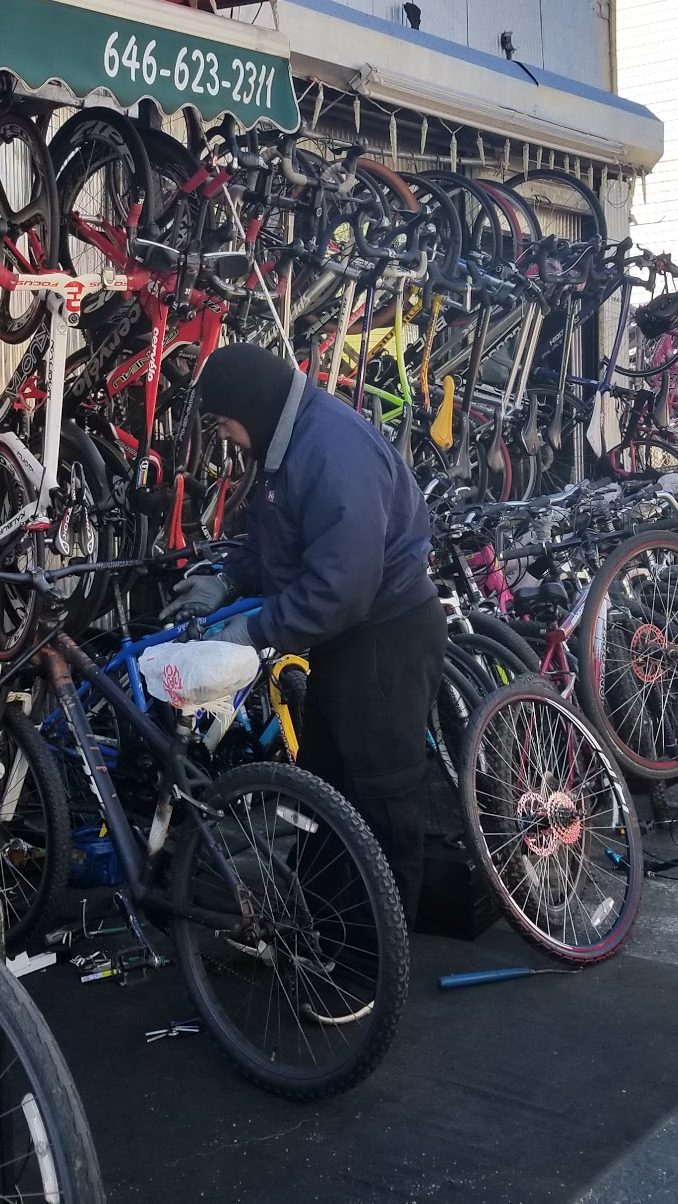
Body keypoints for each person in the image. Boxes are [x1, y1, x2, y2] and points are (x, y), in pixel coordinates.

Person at [169, 343, 446, 922]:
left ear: (249, 405)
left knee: (379, 799)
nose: (225, 439)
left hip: (384, 638)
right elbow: (284, 546)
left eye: (223, 424)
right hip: (342, 641)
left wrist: (257, 629)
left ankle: (373, 966)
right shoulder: (286, 443)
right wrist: (227, 577)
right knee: (326, 793)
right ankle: (322, 933)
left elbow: (343, 583)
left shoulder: (329, 448)